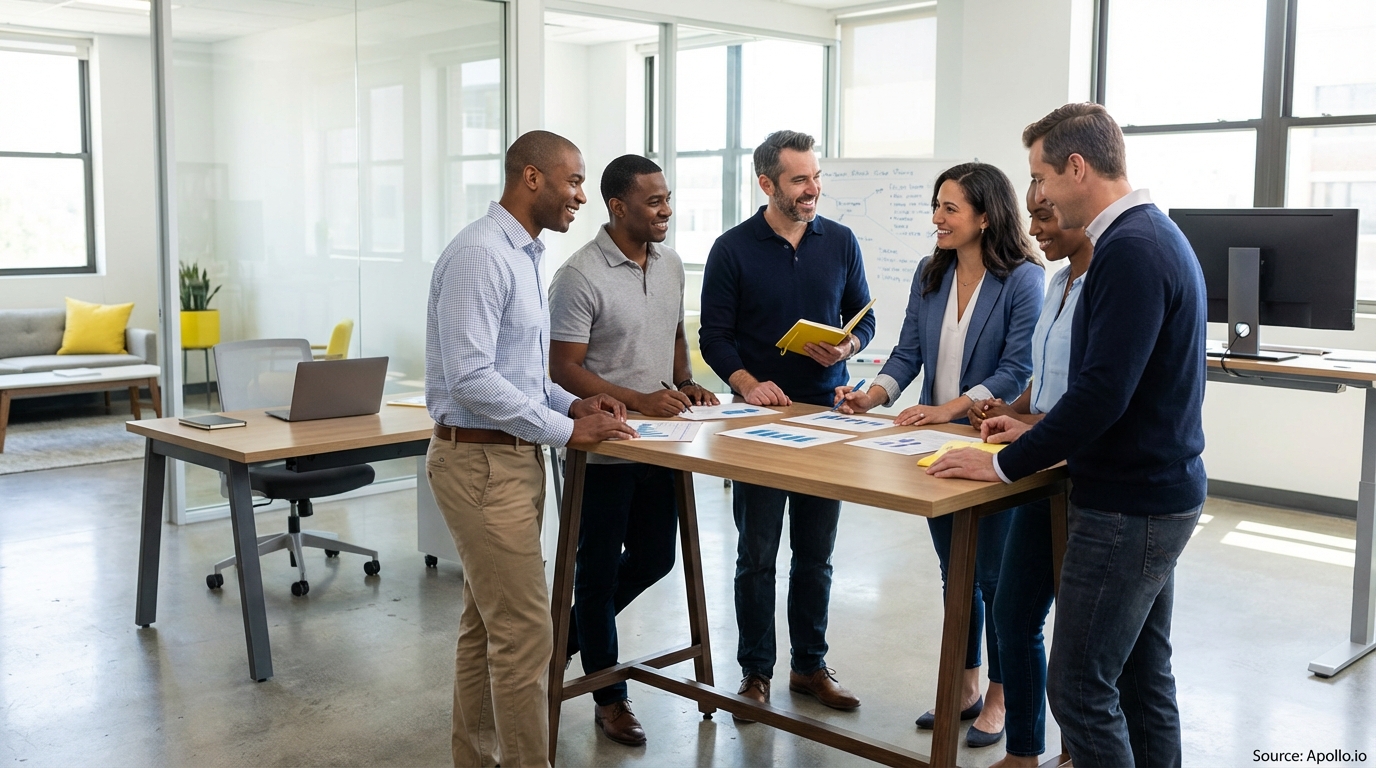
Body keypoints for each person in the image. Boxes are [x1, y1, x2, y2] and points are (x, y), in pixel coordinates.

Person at [928, 102, 1207, 768]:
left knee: (1080, 687)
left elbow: (1100, 394)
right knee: (1140, 680)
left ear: (1076, 168)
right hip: (1152, 492)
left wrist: (1003, 465)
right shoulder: (1148, 237)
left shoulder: (1130, 249)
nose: (1038, 195)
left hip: (1129, 503)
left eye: (1041, 177)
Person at [424, 129, 638, 768]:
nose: (582, 195)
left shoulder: (524, 255)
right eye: (574, 181)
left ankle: (476, 758)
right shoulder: (481, 254)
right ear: (532, 178)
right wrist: (567, 431)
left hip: (509, 459)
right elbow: (470, 378)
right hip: (481, 464)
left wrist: (571, 405)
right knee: (525, 634)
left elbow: (518, 374)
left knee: (487, 627)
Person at [834, 161, 1043, 748]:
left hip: (990, 443)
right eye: (936, 206)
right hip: (934, 447)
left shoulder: (1023, 278)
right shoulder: (931, 273)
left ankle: (1001, 694)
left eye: (950, 208)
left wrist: (947, 410)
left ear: (985, 216)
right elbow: (906, 353)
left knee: (995, 578)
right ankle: (965, 682)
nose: (937, 219)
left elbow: (1017, 368)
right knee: (958, 573)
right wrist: (872, 396)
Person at [699, 129, 875, 719]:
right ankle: (755, 673)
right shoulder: (732, 249)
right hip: (757, 423)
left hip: (826, 417)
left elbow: (863, 320)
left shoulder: (841, 241)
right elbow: (714, 336)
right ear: (766, 183)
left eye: (815, 177)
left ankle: (809, 666)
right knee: (757, 555)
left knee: (816, 554)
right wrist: (747, 383)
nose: (812, 189)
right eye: (800, 179)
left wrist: (848, 345)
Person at [548, 154, 718, 747]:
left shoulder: (670, 264)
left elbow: (674, 333)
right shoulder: (578, 276)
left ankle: (565, 639)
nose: (666, 209)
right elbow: (563, 369)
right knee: (595, 575)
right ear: (618, 207)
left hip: (661, 447)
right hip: (602, 449)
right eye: (654, 201)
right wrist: (639, 400)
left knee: (654, 559)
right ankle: (609, 696)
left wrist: (685, 381)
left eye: (667, 198)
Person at [965, 182, 1094, 767]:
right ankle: (1023, 752)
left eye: (1044, 217)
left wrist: (1025, 432)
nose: (1035, 230)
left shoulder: (1104, 283)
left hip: (1077, 472)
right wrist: (1008, 409)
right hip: (1039, 467)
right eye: (1031, 217)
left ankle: (1075, 751)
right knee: (1014, 612)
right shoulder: (1056, 281)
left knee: (1081, 643)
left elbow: (1091, 398)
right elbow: (1043, 382)